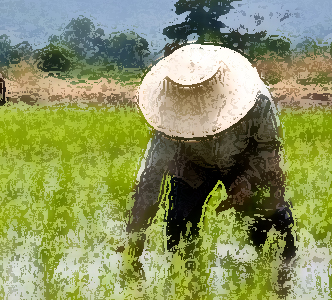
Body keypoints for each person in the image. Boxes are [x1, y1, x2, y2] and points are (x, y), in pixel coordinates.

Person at [125, 44, 296, 294]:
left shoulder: (255, 99)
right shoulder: (167, 115)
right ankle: (187, 286)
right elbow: (151, 174)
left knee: (273, 221)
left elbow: (269, 148)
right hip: (191, 164)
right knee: (178, 225)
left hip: (246, 159)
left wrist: (246, 182)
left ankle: (283, 282)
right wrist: (134, 235)